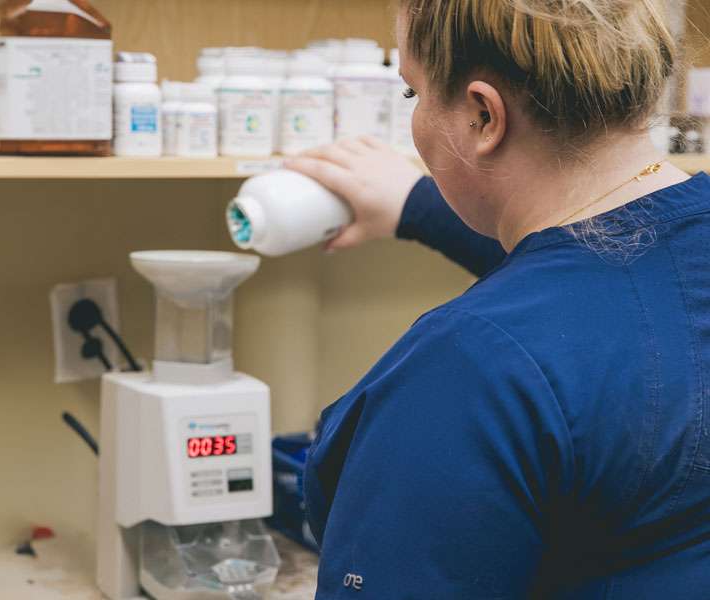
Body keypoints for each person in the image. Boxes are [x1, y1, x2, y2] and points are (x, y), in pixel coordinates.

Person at [286, 1, 710, 597]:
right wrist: (416, 205)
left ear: (483, 115)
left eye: (414, 93)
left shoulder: (470, 368)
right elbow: (611, 277)